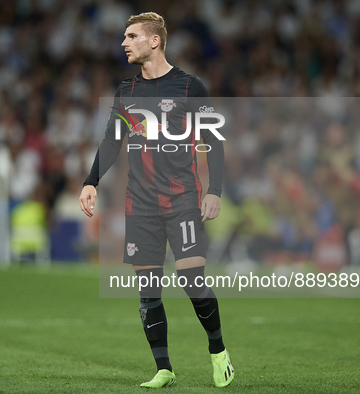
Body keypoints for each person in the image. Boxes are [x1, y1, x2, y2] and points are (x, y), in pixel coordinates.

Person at [79, 12, 234, 388]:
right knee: (148, 290)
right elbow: (112, 141)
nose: (124, 42)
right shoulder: (126, 92)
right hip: (140, 203)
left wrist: (214, 191)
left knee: (192, 281)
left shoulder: (189, 87)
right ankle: (164, 368)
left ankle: (218, 352)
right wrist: (91, 182)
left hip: (182, 199)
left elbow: (212, 141)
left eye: (131, 36)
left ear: (155, 41)